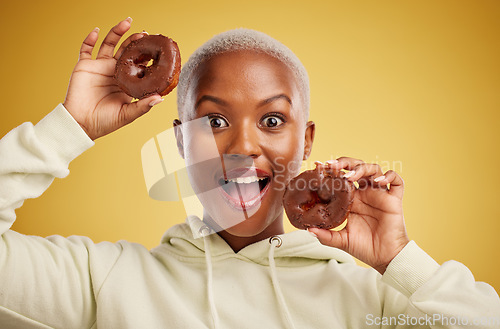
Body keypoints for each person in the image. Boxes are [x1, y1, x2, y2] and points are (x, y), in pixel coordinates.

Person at [0, 17, 498, 329]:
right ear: (180, 141)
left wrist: (399, 259)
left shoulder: (376, 301)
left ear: (305, 142)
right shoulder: (103, 282)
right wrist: (66, 130)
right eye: (214, 121)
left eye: (273, 120)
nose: (242, 145)